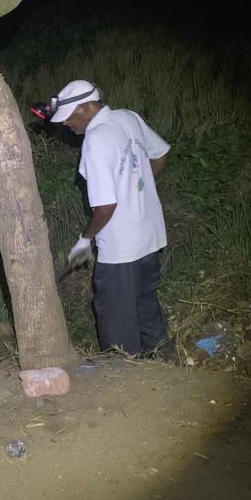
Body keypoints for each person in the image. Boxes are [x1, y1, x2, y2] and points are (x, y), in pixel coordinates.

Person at [47, 79, 173, 358]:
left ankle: (123, 374)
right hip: (150, 236)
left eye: (68, 116)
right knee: (145, 304)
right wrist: (136, 187)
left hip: (121, 248)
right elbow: (160, 155)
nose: (66, 123)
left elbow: (105, 207)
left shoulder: (96, 139)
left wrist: (85, 241)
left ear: (87, 107)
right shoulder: (128, 117)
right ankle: (164, 363)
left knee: (116, 318)